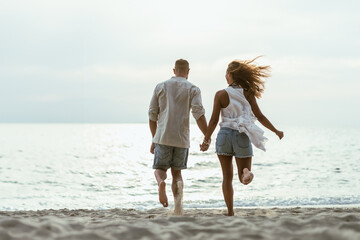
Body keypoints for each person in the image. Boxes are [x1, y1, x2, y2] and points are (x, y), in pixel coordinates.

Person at [200, 57, 284, 216]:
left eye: (226, 72)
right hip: (242, 134)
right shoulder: (248, 93)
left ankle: (230, 212)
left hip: (224, 135)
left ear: (230, 74)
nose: (225, 75)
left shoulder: (220, 94)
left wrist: (206, 139)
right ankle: (246, 171)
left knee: (227, 178)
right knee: (241, 177)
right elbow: (260, 116)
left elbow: (213, 121)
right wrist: (276, 131)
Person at [148, 59, 207, 214]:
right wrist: (207, 136)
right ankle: (178, 207)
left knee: (160, 169)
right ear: (188, 71)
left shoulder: (160, 86)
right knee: (177, 174)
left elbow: (152, 115)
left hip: (163, 136)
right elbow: (198, 114)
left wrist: (154, 138)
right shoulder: (193, 88)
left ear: (174, 70)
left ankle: (161, 182)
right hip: (182, 139)